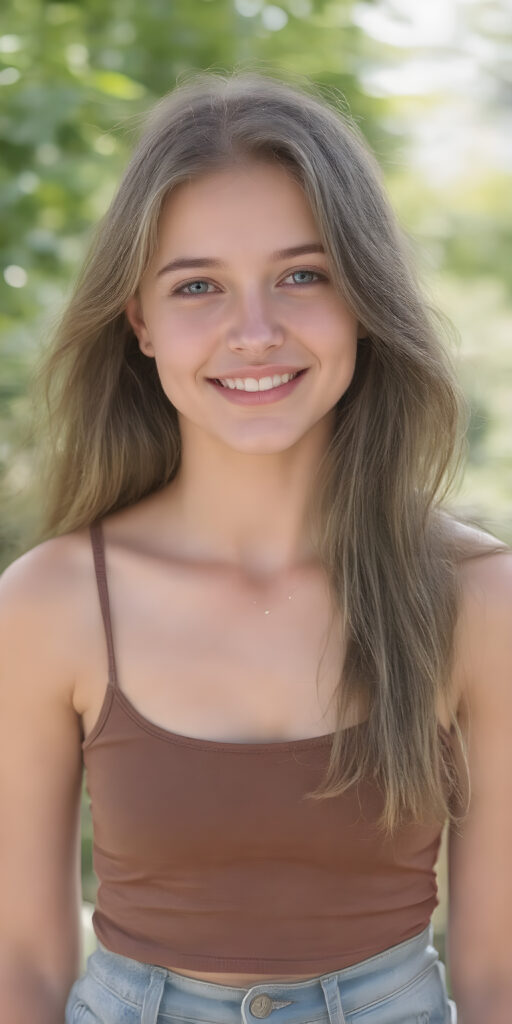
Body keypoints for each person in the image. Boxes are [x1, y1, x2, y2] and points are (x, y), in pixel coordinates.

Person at [0, 68, 511, 1024]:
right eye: (198, 286)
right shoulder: (51, 603)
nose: (256, 331)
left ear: (363, 297)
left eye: (302, 275)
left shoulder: (477, 599)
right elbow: (21, 966)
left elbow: (499, 977)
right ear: (141, 324)